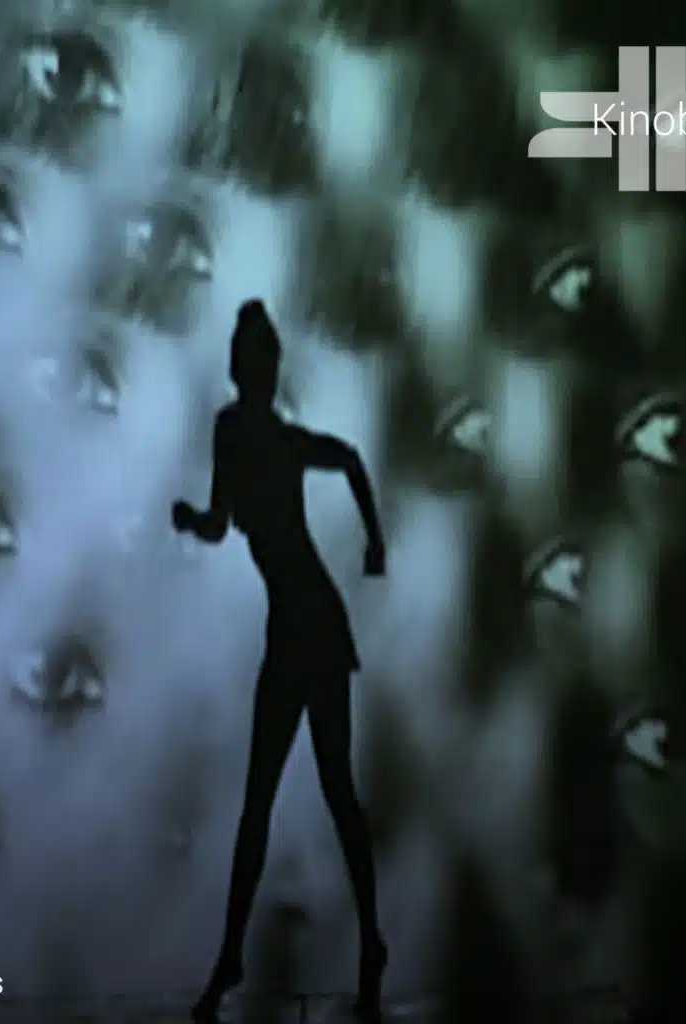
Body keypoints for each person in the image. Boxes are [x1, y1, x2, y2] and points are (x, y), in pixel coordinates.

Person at [172, 299, 388, 1022]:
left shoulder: (263, 437)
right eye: (250, 359)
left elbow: (347, 460)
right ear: (245, 369)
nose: (254, 372)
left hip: (313, 628)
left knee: (319, 792)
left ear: (262, 370)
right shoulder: (241, 434)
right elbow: (220, 521)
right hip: (297, 627)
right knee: (282, 797)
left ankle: (356, 945)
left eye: (260, 360)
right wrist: (193, 521)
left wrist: (376, 542)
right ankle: (245, 954)